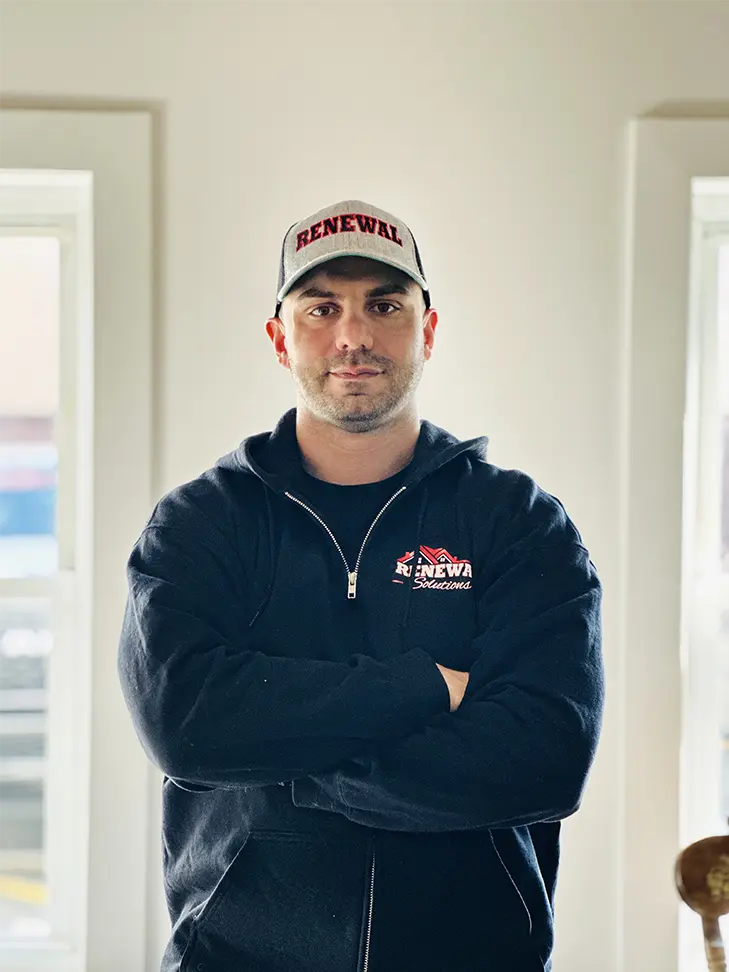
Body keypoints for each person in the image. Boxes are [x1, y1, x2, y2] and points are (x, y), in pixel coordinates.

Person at [117, 198, 605, 972]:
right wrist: (427, 687)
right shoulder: (201, 523)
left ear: (427, 330)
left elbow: (544, 757)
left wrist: (289, 763)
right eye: (321, 308)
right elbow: (187, 726)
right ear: (279, 339)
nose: (353, 336)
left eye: (384, 305)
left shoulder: (516, 521)